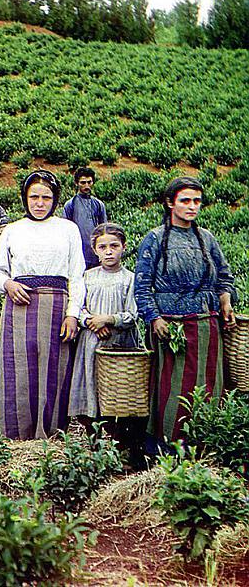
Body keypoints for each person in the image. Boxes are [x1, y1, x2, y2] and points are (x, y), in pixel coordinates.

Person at [134, 176, 236, 447]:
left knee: (209, 385)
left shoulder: (207, 239)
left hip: (206, 325)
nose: (192, 207)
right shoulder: (155, 239)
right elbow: (142, 285)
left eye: (197, 201)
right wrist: (154, 318)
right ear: (170, 203)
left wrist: (225, 300)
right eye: (185, 201)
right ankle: (166, 450)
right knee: (172, 389)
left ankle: (205, 447)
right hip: (171, 327)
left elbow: (224, 276)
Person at [0, 169, 86, 440]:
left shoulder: (68, 229)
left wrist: (73, 315)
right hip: (19, 307)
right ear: (24, 198)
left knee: (54, 369)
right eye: (34, 197)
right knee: (17, 369)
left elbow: (77, 275)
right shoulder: (13, 230)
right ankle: (14, 436)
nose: (39, 203)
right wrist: (8, 284)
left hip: (56, 308)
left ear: (55, 200)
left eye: (46, 197)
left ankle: (50, 435)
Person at [69, 223, 140, 423]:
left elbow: (132, 314)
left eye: (114, 246)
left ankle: (119, 435)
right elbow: (77, 306)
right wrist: (91, 322)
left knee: (118, 389)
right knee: (91, 383)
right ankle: (93, 433)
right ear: (94, 250)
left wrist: (108, 320)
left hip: (119, 344)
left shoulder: (130, 279)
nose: (108, 252)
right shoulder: (88, 277)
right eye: (102, 247)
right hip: (91, 342)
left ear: (123, 247)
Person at [63, 167, 108, 270]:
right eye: (83, 183)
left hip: (96, 253)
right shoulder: (70, 204)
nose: (86, 186)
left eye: (89, 182)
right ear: (76, 183)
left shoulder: (98, 204)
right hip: (78, 252)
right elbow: (66, 231)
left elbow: (104, 229)